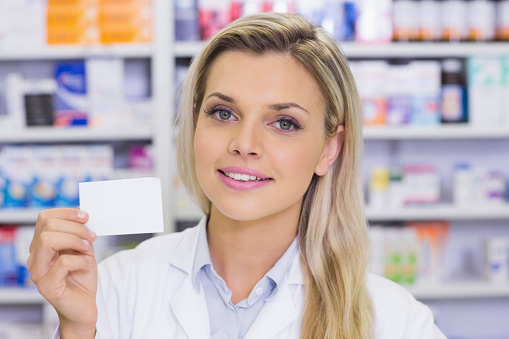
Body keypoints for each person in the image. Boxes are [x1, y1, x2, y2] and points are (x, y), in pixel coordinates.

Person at [27, 12, 446, 339]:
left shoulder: (392, 319)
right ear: (194, 125)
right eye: (223, 113)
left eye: (284, 122)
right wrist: (78, 329)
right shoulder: (116, 288)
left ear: (329, 148)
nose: (245, 144)